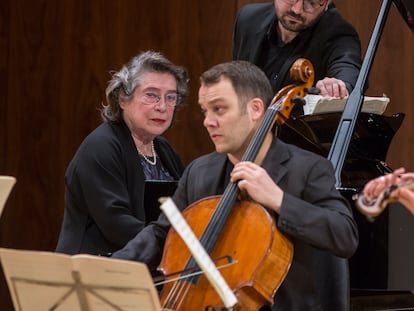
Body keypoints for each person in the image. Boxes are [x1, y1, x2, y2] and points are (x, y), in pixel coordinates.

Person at [112, 60, 358, 310]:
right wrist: (112, 270)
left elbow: (344, 235)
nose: (208, 121)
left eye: (219, 109)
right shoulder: (200, 172)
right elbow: (162, 233)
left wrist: (279, 199)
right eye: (205, 111)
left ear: (255, 109)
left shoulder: (307, 169)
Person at [55, 51, 188, 256]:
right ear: (123, 98)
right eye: (151, 95)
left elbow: (183, 208)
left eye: (170, 97)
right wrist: (177, 246)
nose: (162, 106)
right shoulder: (101, 146)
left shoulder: (164, 150)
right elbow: (116, 225)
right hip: (93, 271)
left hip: (146, 263)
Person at [232, 0, 362, 101]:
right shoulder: (248, 19)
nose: (297, 10)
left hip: (296, 134)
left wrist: (337, 86)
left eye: (311, 2)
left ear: (326, 3)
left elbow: (347, 70)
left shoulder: (339, 34)